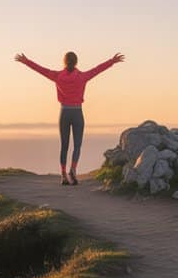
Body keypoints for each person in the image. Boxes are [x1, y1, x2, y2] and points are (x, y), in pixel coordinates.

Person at [15, 51, 125, 185]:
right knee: (77, 145)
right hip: (77, 112)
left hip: (64, 113)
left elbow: (40, 70)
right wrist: (112, 61)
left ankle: (63, 175)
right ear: (76, 62)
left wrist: (26, 61)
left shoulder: (57, 76)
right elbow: (97, 70)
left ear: (64, 62)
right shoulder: (82, 77)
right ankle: (73, 169)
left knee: (64, 146)